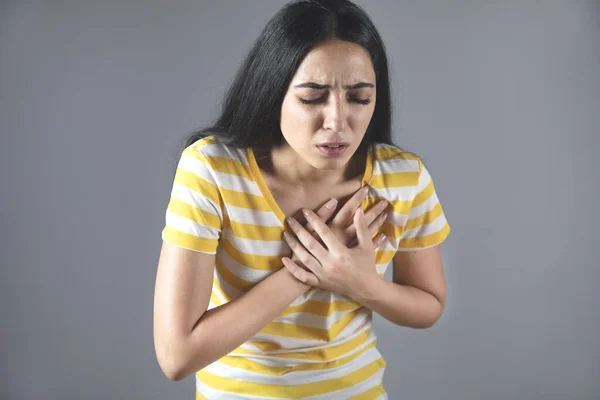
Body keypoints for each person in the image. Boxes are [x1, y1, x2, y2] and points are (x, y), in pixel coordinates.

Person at [153, 0, 450, 398]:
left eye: (360, 98)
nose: (337, 122)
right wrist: (303, 272)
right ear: (272, 90)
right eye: (313, 98)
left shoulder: (403, 177)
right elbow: (177, 356)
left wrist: (363, 284)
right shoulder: (212, 170)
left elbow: (429, 305)